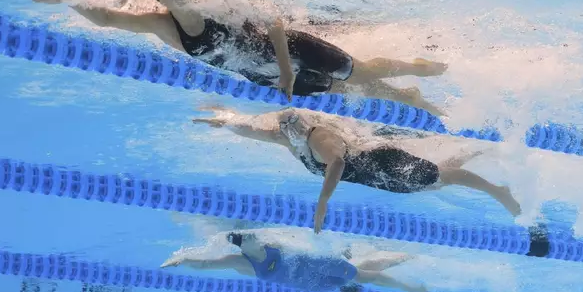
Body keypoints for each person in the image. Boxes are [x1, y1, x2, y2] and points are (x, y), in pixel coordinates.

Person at [31, 0, 448, 116]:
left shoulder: (219, 7)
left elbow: (278, 26)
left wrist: (286, 71)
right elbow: (105, 19)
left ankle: (415, 69)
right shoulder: (163, 26)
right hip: (269, 77)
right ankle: (407, 97)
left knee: (362, 72)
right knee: (345, 87)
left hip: (293, 53)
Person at [191, 105, 522, 233]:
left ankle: (499, 192)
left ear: (303, 123)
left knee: (442, 177)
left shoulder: (319, 136)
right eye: (285, 126)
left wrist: (322, 204)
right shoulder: (290, 140)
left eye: (292, 124)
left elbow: (337, 162)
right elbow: (252, 129)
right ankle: (479, 148)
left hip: (381, 163)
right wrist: (226, 120)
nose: (287, 130)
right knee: (435, 181)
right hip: (374, 177)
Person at [161, 229, 429, 292]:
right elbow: (207, 266)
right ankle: (406, 255)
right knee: (364, 270)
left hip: (320, 265)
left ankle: (410, 286)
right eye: (251, 236)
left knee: (362, 276)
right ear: (244, 245)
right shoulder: (241, 262)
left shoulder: (271, 243)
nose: (257, 235)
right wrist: (183, 259)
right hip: (311, 284)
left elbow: (303, 242)